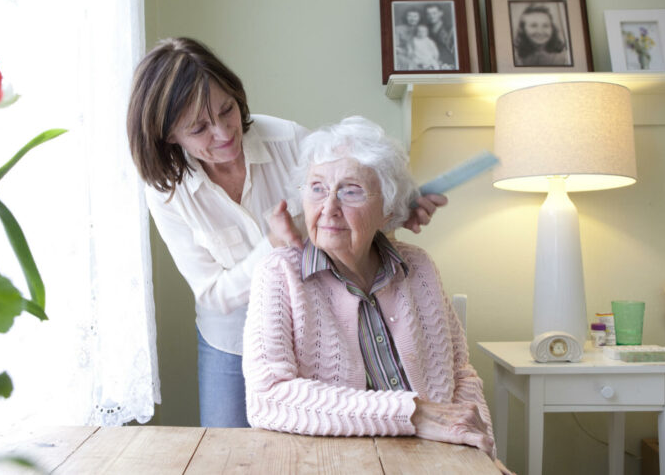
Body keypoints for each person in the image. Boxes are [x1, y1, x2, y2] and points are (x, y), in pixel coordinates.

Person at [126, 38, 447, 427]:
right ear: (169, 137)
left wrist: (395, 213)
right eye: (198, 128)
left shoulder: (289, 140)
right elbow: (212, 294)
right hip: (231, 341)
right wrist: (272, 246)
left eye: (227, 110)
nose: (224, 132)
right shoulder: (167, 192)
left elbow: (346, 210)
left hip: (312, 325)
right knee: (230, 457)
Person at [243, 116, 509, 473]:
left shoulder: (419, 267)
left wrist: (482, 456)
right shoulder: (279, 273)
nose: (329, 207)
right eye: (317, 188)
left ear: (388, 210)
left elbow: (461, 375)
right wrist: (413, 413)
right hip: (333, 464)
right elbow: (267, 398)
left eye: (351, 190)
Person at [424, 4, 456, 69]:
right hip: (430, 62)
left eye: (434, 13)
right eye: (428, 14)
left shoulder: (450, 29)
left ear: (440, 13)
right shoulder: (424, 29)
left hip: (448, 62)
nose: (431, 16)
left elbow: (454, 51)